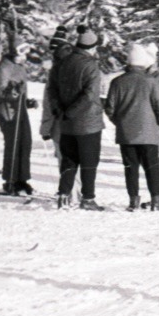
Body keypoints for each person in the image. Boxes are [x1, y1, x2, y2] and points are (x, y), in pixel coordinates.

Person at [105, 42, 159, 211]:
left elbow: (110, 108)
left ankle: (133, 200)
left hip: (126, 134)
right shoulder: (151, 82)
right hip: (149, 133)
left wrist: (120, 122)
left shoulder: (117, 82)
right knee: (152, 166)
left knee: (130, 168)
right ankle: (157, 199)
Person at [44, 27, 105, 209]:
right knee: (89, 161)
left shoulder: (62, 63)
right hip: (87, 122)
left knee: (69, 160)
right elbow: (89, 95)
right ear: (91, 47)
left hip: (65, 122)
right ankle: (87, 199)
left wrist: (59, 110)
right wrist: (72, 111)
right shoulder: (91, 66)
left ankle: (63, 195)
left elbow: (51, 89)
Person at [0, 42, 35, 195]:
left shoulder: (20, 67)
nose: (23, 57)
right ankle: (10, 180)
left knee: (25, 142)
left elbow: (22, 90)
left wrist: (27, 101)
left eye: (24, 54)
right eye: (20, 54)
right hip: (7, 112)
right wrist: (14, 93)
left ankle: (22, 179)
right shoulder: (4, 67)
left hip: (20, 110)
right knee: (13, 144)